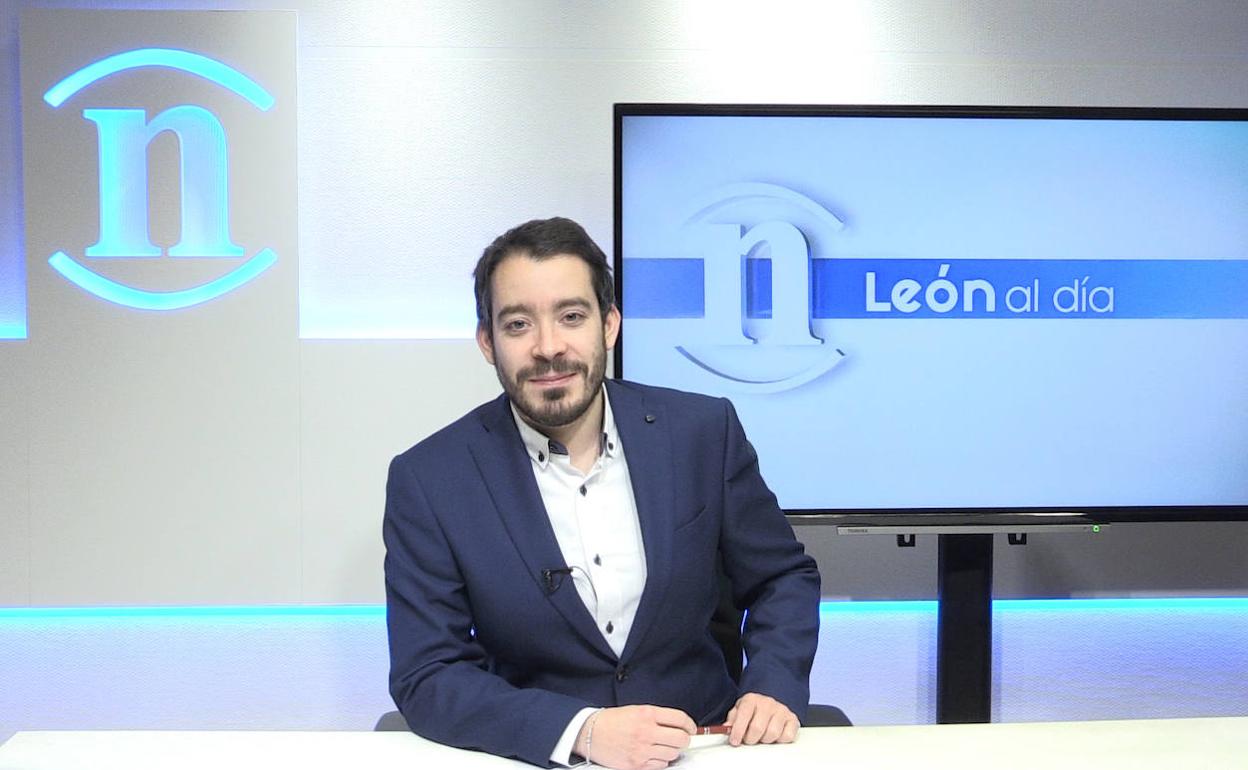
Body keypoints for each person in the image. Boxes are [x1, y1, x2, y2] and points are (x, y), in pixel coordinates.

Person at [383, 217, 820, 769]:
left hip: (707, 749)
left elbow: (782, 577)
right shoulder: (430, 479)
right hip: (538, 760)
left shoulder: (702, 433)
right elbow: (428, 674)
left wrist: (773, 685)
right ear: (487, 342)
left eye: (572, 316)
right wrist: (581, 731)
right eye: (518, 324)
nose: (548, 347)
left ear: (609, 325)